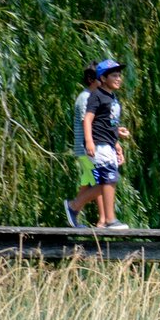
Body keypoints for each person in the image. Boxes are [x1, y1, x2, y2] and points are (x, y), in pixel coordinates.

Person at [82, 59, 132, 229]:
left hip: (108, 143)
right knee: (109, 178)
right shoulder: (97, 95)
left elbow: (106, 122)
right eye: (114, 76)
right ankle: (110, 220)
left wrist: (117, 135)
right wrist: (89, 141)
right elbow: (88, 119)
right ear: (103, 79)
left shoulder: (112, 96)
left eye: (119, 75)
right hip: (98, 144)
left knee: (105, 181)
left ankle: (74, 206)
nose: (119, 78)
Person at [64, 65, 99, 227]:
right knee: (102, 183)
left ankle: (74, 214)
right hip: (87, 149)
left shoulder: (89, 96)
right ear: (92, 80)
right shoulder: (86, 98)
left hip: (85, 149)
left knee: (88, 183)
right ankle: (103, 220)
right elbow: (88, 122)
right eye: (101, 77)